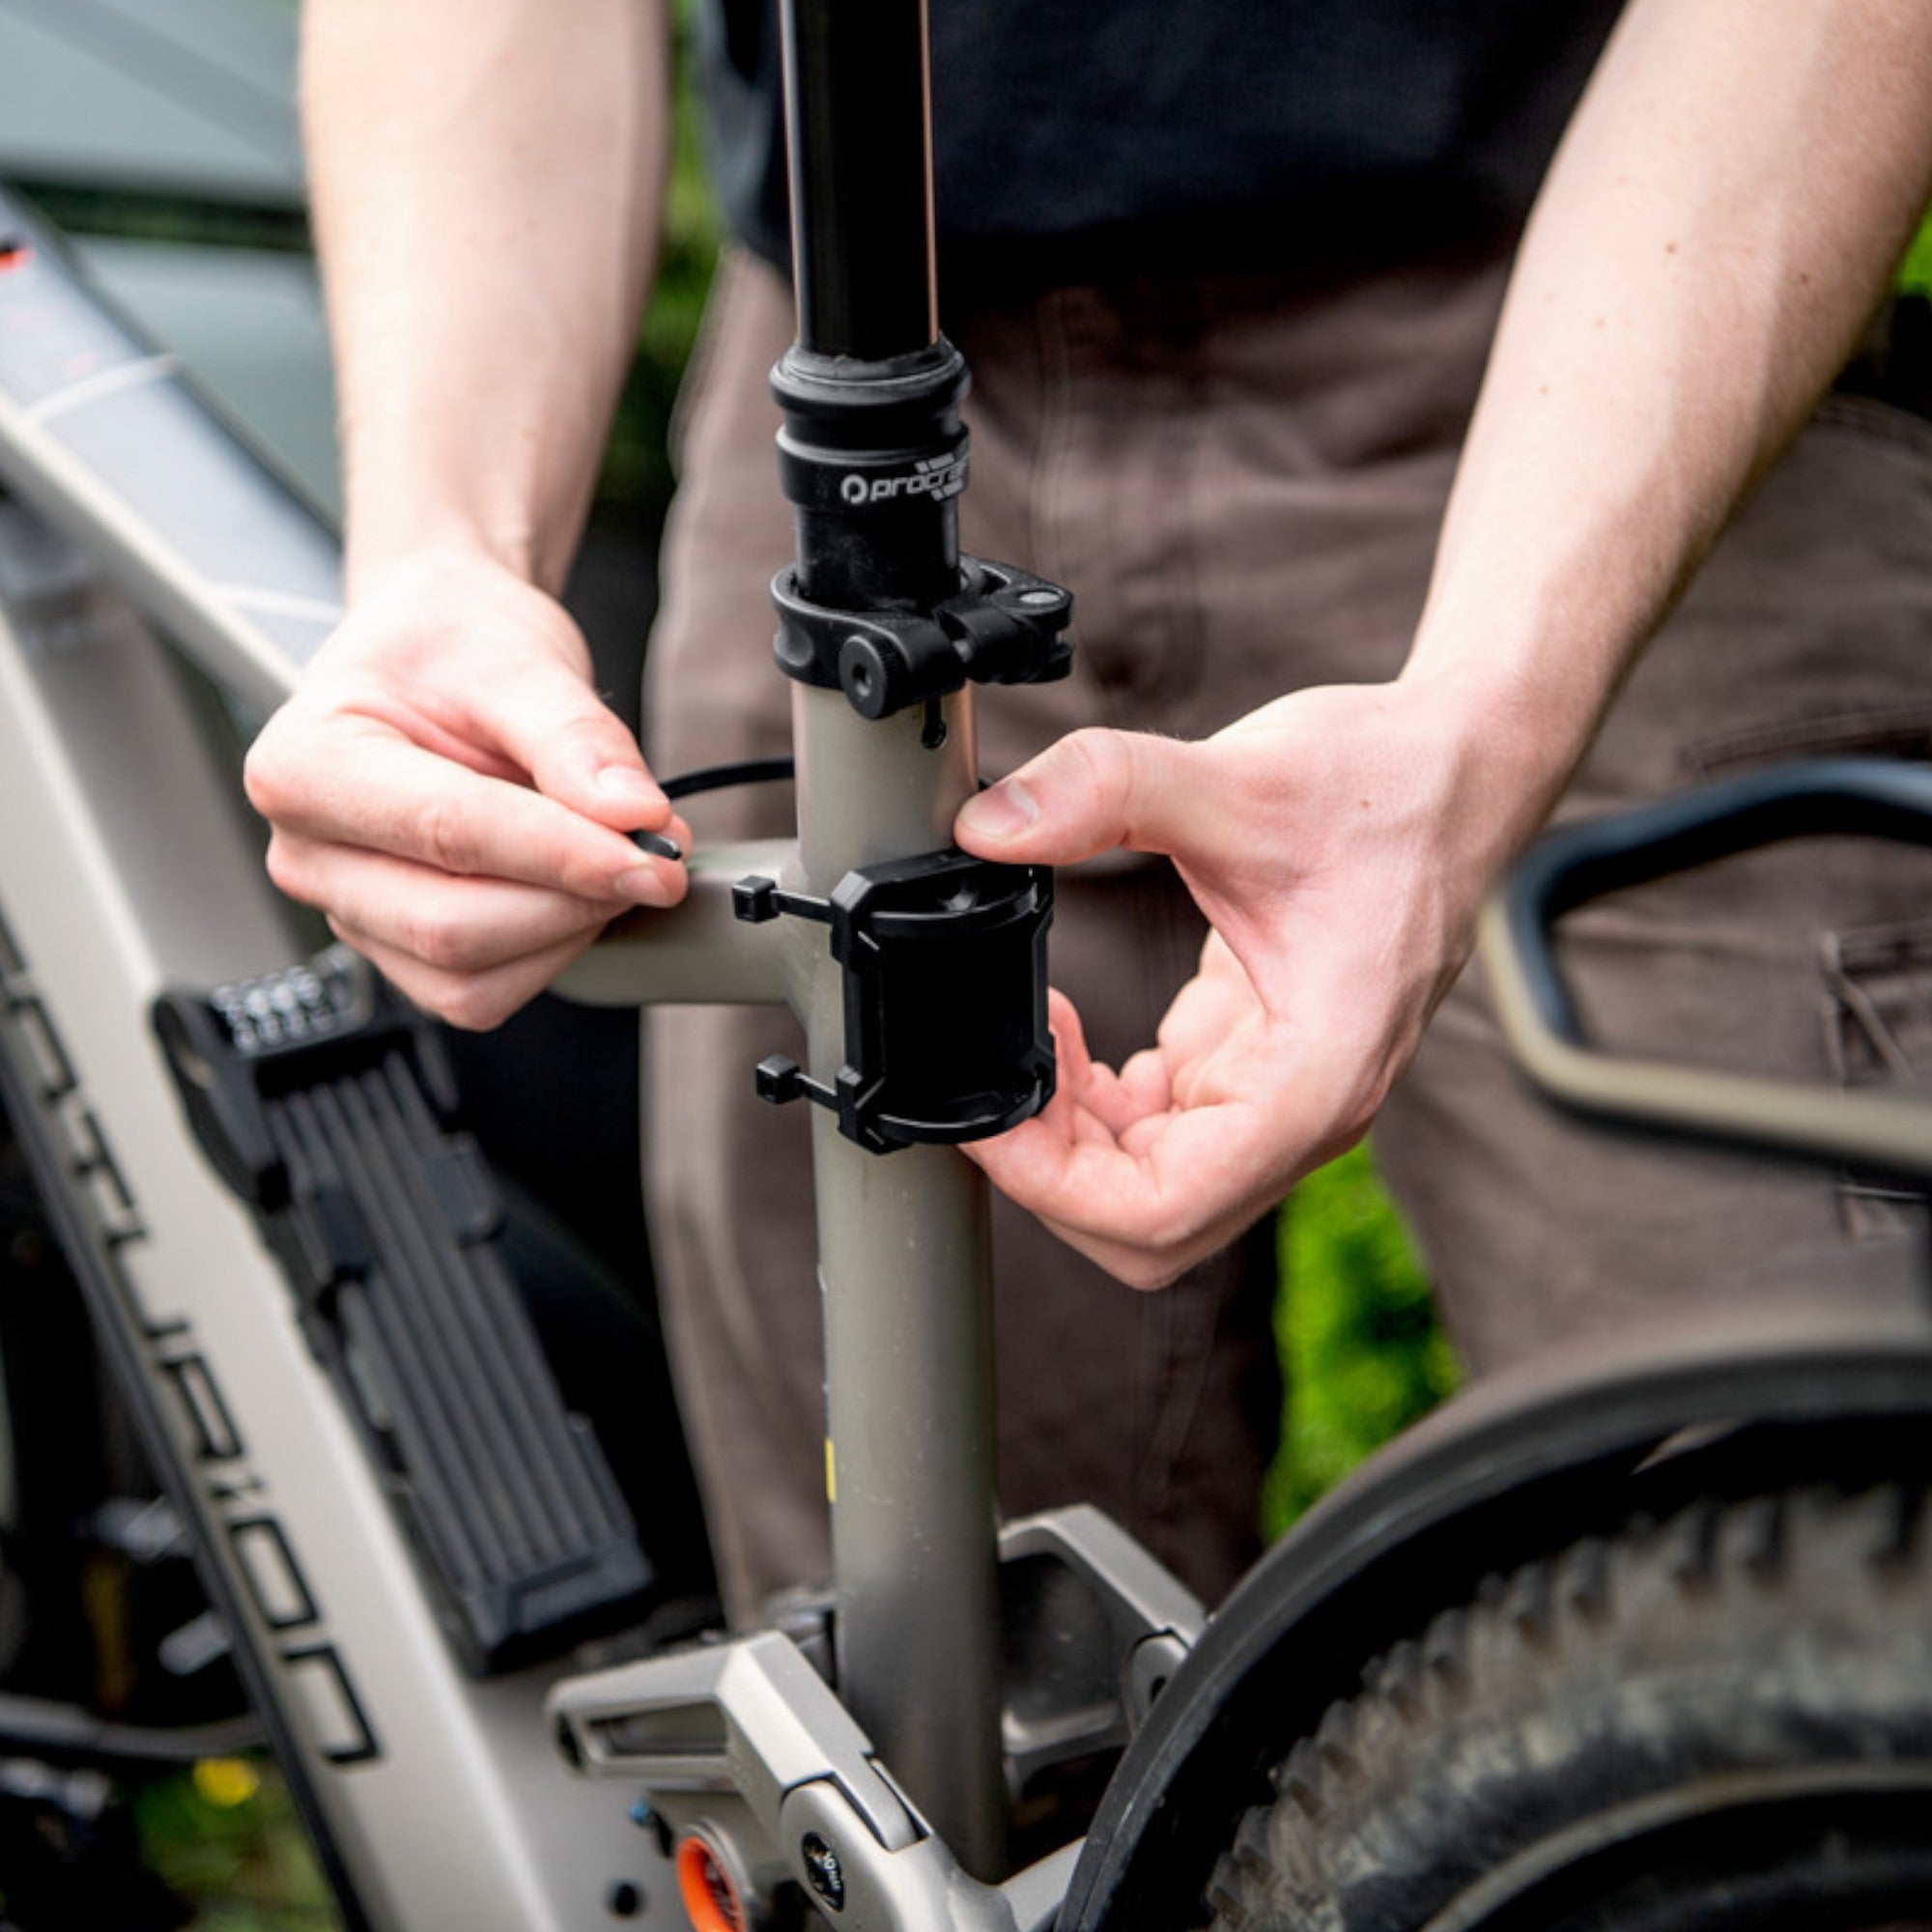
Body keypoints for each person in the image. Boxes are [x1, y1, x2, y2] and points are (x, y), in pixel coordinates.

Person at [245, 0, 1932, 1622]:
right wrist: (446, 555)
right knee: (907, 1665)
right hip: (840, 382)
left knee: (1812, 1588)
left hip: (1617, 318)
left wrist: (1491, 706)